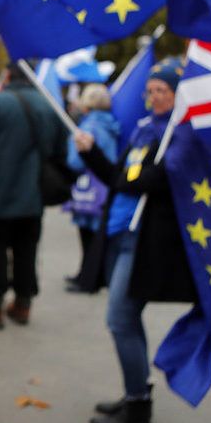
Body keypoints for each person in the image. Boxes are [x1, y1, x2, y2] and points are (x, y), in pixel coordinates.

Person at [73, 58, 197, 423]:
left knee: (120, 318)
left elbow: (159, 179)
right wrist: (90, 152)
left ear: (178, 95)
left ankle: (138, 411)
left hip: (146, 243)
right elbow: (118, 178)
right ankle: (135, 395)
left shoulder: (184, 134)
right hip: (120, 233)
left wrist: (134, 177)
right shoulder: (144, 131)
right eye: (153, 90)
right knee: (128, 318)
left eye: (164, 91)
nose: (156, 96)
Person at [0, 65, 62, 328]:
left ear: (7, 76)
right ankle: (23, 304)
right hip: (32, 195)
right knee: (26, 250)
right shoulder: (47, 105)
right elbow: (59, 148)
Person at [64, 83, 119, 293]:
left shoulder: (87, 127)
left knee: (87, 234)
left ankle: (88, 277)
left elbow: (75, 161)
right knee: (97, 232)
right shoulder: (112, 125)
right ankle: (90, 274)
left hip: (88, 187)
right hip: (105, 185)